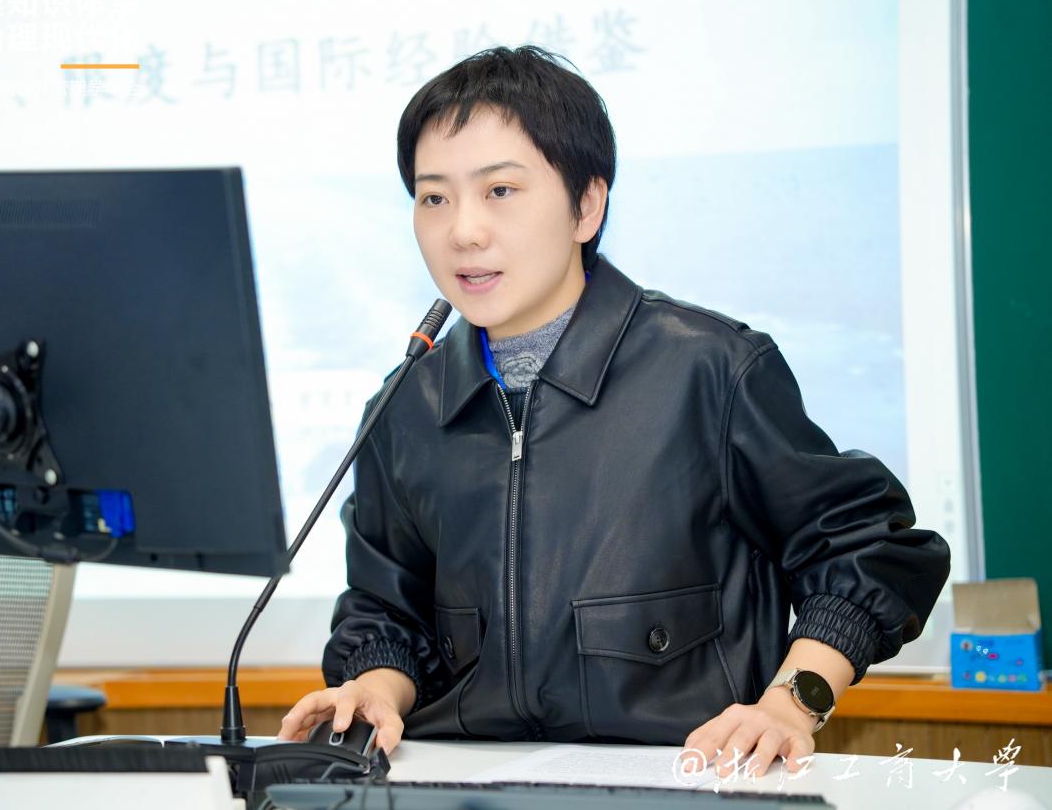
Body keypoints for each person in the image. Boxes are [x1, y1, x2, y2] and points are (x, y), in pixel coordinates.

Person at [276, 45, 950, 780]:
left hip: (687, 782)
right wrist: (375, 688)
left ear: (586, 206)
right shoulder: (406, 404)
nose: (462, 230)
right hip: (466, 785)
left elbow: (865, 549)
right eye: (433, 198)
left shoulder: (710, 368)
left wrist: (791, 703)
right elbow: (387, 610)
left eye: (499, 190)